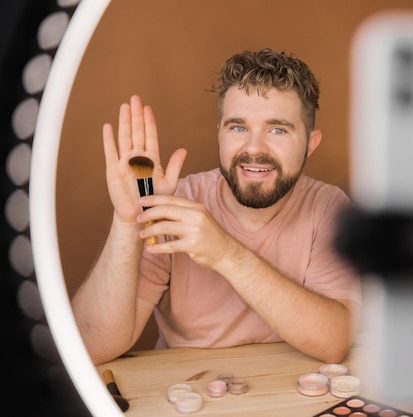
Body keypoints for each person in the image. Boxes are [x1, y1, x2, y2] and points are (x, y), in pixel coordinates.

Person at [71, 49, 362, 366]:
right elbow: (90, 347)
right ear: (219, 133)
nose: (253, 148)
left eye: (277, 129)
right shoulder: (174, 205)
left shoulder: (328, 207)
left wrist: (226, 253)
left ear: (311, 143)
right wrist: (127, 221)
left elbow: (333, 343)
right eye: (237, 127)